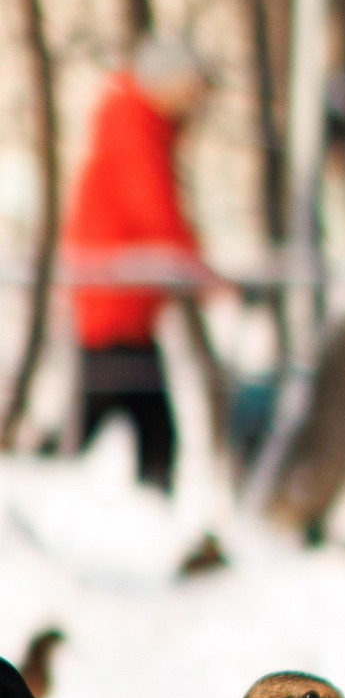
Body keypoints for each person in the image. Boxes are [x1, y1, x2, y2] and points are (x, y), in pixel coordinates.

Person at [62, 37, 214, 492]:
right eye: (189, 91)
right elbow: (154, 212)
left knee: (121, 422)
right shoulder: (134, 130)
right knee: (148, 430)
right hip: (115, 303)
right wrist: (199, 270)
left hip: (121, 302)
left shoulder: (131, 124)